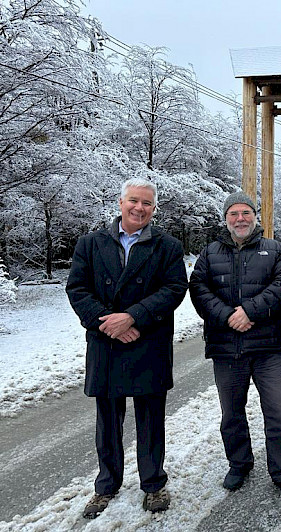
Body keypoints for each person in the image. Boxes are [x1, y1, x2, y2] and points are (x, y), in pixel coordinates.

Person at [66, 178, 188, 519]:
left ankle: (153, 484)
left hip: (147, 340)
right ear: (120, 203)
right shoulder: (90, 243)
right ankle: (106, 485)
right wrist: (110, 324)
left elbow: (175, 288)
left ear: (154, 208)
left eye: (147, 203)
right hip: (106, 343)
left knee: (151, 421)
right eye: (133, 201)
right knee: (107, 421)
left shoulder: (168, 246)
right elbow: (77, 288)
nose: (139, 208)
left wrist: (132, 318)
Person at [189, 191, 281, 501]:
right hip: (227, 349)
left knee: (279, 412)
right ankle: (239, 464)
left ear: (255, 216)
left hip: (267, 349)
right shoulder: (210, 252)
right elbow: (198, 289)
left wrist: (249, 311)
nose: (240, 219)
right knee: (232, 414)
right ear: (226, 219)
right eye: (233, 214)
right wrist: (228, 316)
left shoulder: (275, 249)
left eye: (245, 213)